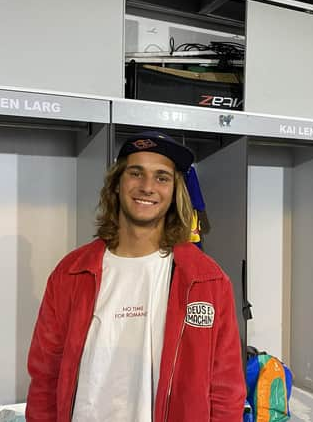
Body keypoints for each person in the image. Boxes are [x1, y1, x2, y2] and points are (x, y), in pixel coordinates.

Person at [26, 130, 245, 422]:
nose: (147, 186)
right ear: (117, 183)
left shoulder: (207, 281)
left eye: (162, 177)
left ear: (174, 190)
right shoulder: (71, 273)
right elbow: (45, 377)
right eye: (136, 173)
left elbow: (226, 390)